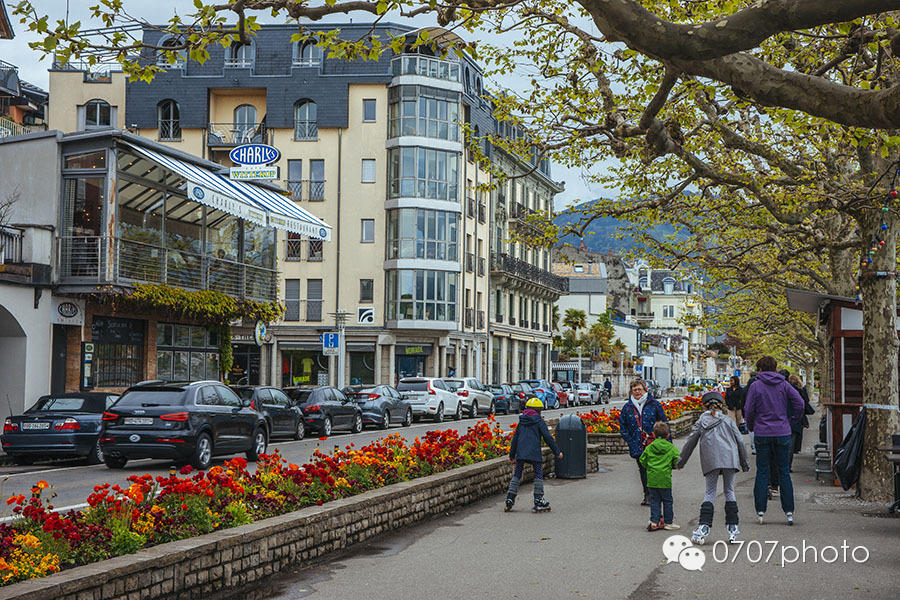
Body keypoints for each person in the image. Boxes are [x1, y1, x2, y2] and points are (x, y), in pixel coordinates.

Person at [677, 391, 750, 544]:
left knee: (710, 492)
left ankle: (703, 527)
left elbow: (690, 443)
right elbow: (741, 442)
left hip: (711, 460)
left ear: (704, 406)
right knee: (729, 491)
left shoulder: (701, 422)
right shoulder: (729, 421)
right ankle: (732, 528)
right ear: (721, 405)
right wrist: (744, 463)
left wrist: (681, 462)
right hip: (730, 459)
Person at [744, 356, 804, 525]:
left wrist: (751, 426)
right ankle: (789, 510)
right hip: (782, 431)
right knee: (784, 471)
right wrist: (791, 420)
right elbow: (799, 403)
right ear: (775, 368)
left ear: (760, 369)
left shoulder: (756, 386)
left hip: (762, 432)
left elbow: (748, 410)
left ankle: (761, 509)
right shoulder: (784, 385)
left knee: (762, 471)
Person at [505, 397, 563, 513]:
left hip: (521, 452)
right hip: (534, 453)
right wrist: (557, 452)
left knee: (517, 473)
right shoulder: (539, 421)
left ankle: (510, 498)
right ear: (539, 410)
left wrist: (512, 455)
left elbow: (515, 439)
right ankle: (538, 499)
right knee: (538, 474)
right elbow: (547, 437)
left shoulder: (522, 421)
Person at [619, 378, 670, 506]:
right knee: (643, 470)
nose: (637, 392)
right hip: (638, 444)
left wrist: (667, 441)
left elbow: (663, 422)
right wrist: (630, 441)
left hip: (654, 443)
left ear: (645, 389)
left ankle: (658, 494)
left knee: (655, 469)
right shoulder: (627, 407)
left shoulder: (654, 404)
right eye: (634, 390)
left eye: (639, 389)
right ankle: (647, 494)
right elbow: (623, 426)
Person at [639, 421, 680, 531]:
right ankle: (668, 522)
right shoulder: (670, 448)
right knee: (667, 501)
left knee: (654, 500)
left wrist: (649, 467)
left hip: (652, 479)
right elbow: (677, 460)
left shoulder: (650, 447)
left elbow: (642, 460)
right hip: (665, 479)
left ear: (653, 434)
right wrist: (672, 466)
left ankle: (654, 521)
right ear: (668, 435)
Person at [787, 374, 814, 471]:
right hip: (796, 420)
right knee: (791, 443)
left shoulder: (785, 390)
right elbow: (805, 402)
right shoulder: (800, 390)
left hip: (785, 419)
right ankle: (788, 466)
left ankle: (783, 465)